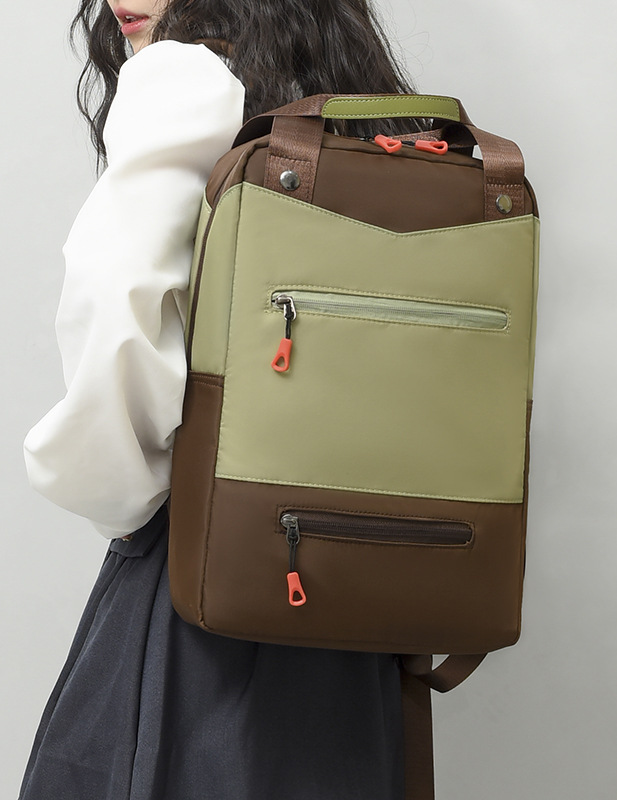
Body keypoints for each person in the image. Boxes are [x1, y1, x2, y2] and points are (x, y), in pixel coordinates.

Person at [18, 1, 425, 797]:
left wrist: (119, 501)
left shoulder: (186, 75)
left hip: (205, 589)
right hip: (350, 598)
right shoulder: (361, 110)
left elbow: (118, 307)